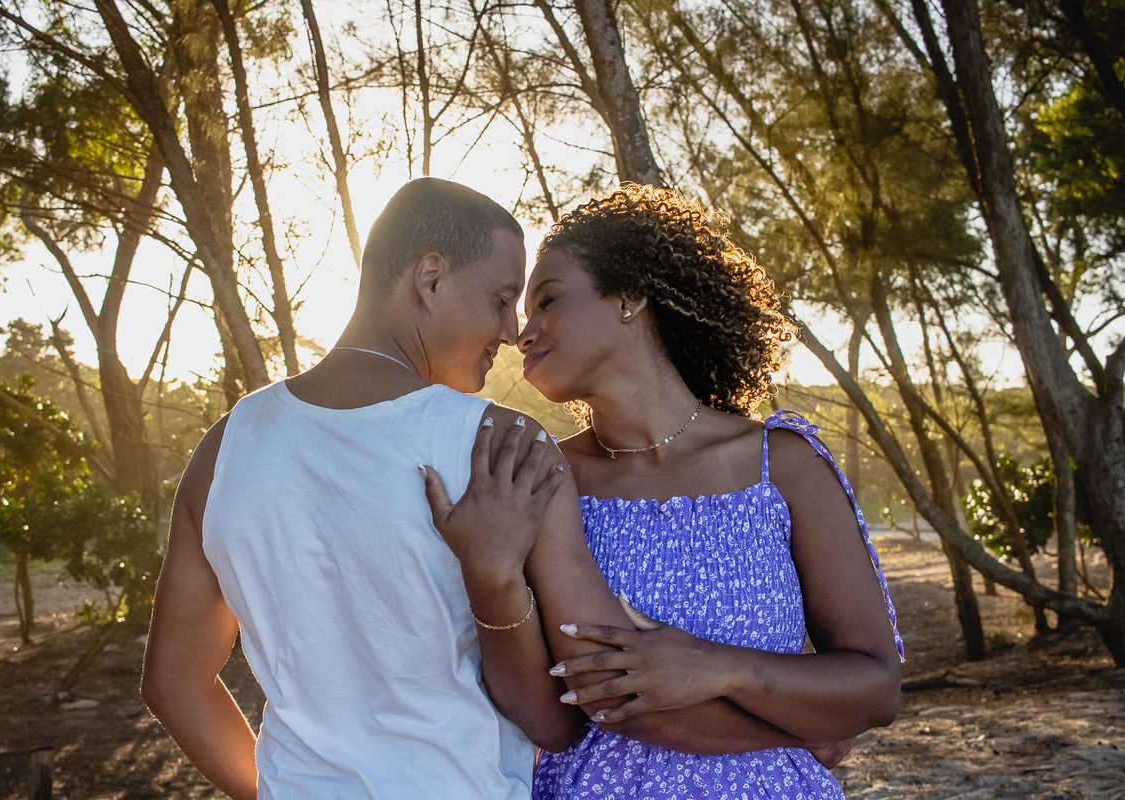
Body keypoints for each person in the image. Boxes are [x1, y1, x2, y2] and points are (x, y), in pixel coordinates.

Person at [140, 177, 631, 799]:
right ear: (431, 278)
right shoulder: (503, 450)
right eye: (502, 298)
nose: (512, 330)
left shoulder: (224, 449)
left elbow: (174, 684)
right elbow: (559, 723)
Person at [509, 184, 905, 798]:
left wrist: (719, 667)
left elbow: (876, 687)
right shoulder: (542, 478)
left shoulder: (783, 466)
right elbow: (602, 700)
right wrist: (799, 730)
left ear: (630, 296)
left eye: (547, 301)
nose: (523, 334)